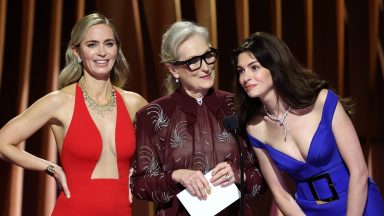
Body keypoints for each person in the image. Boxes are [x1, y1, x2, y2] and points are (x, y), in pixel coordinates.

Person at [0, 13, 147, 215]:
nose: (102, 52)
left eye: (109, 44)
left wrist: (141, 172)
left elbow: (166, 151)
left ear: (117, 50)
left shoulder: (134, 102)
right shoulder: (59, 101)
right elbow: (2, 142)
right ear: (76, 52)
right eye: (92, 45)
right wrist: (51, 167)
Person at [232, 31, 384, 215]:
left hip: (358, 202)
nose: (245, 77)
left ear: (275, 66)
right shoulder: (255, 129)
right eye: (241, 71)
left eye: (254, 67)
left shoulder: (322, 101)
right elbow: (281, 194)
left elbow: (359, 172)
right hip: (309, 211)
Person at [130, 21, 266, 215]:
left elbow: (262, 180)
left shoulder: (237, 106)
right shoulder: (152, 116)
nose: (206, 67)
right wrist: (176, 176)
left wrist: (238, 174)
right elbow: (139, 185)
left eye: (208, 56)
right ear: (173, 69)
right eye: (193, 61)